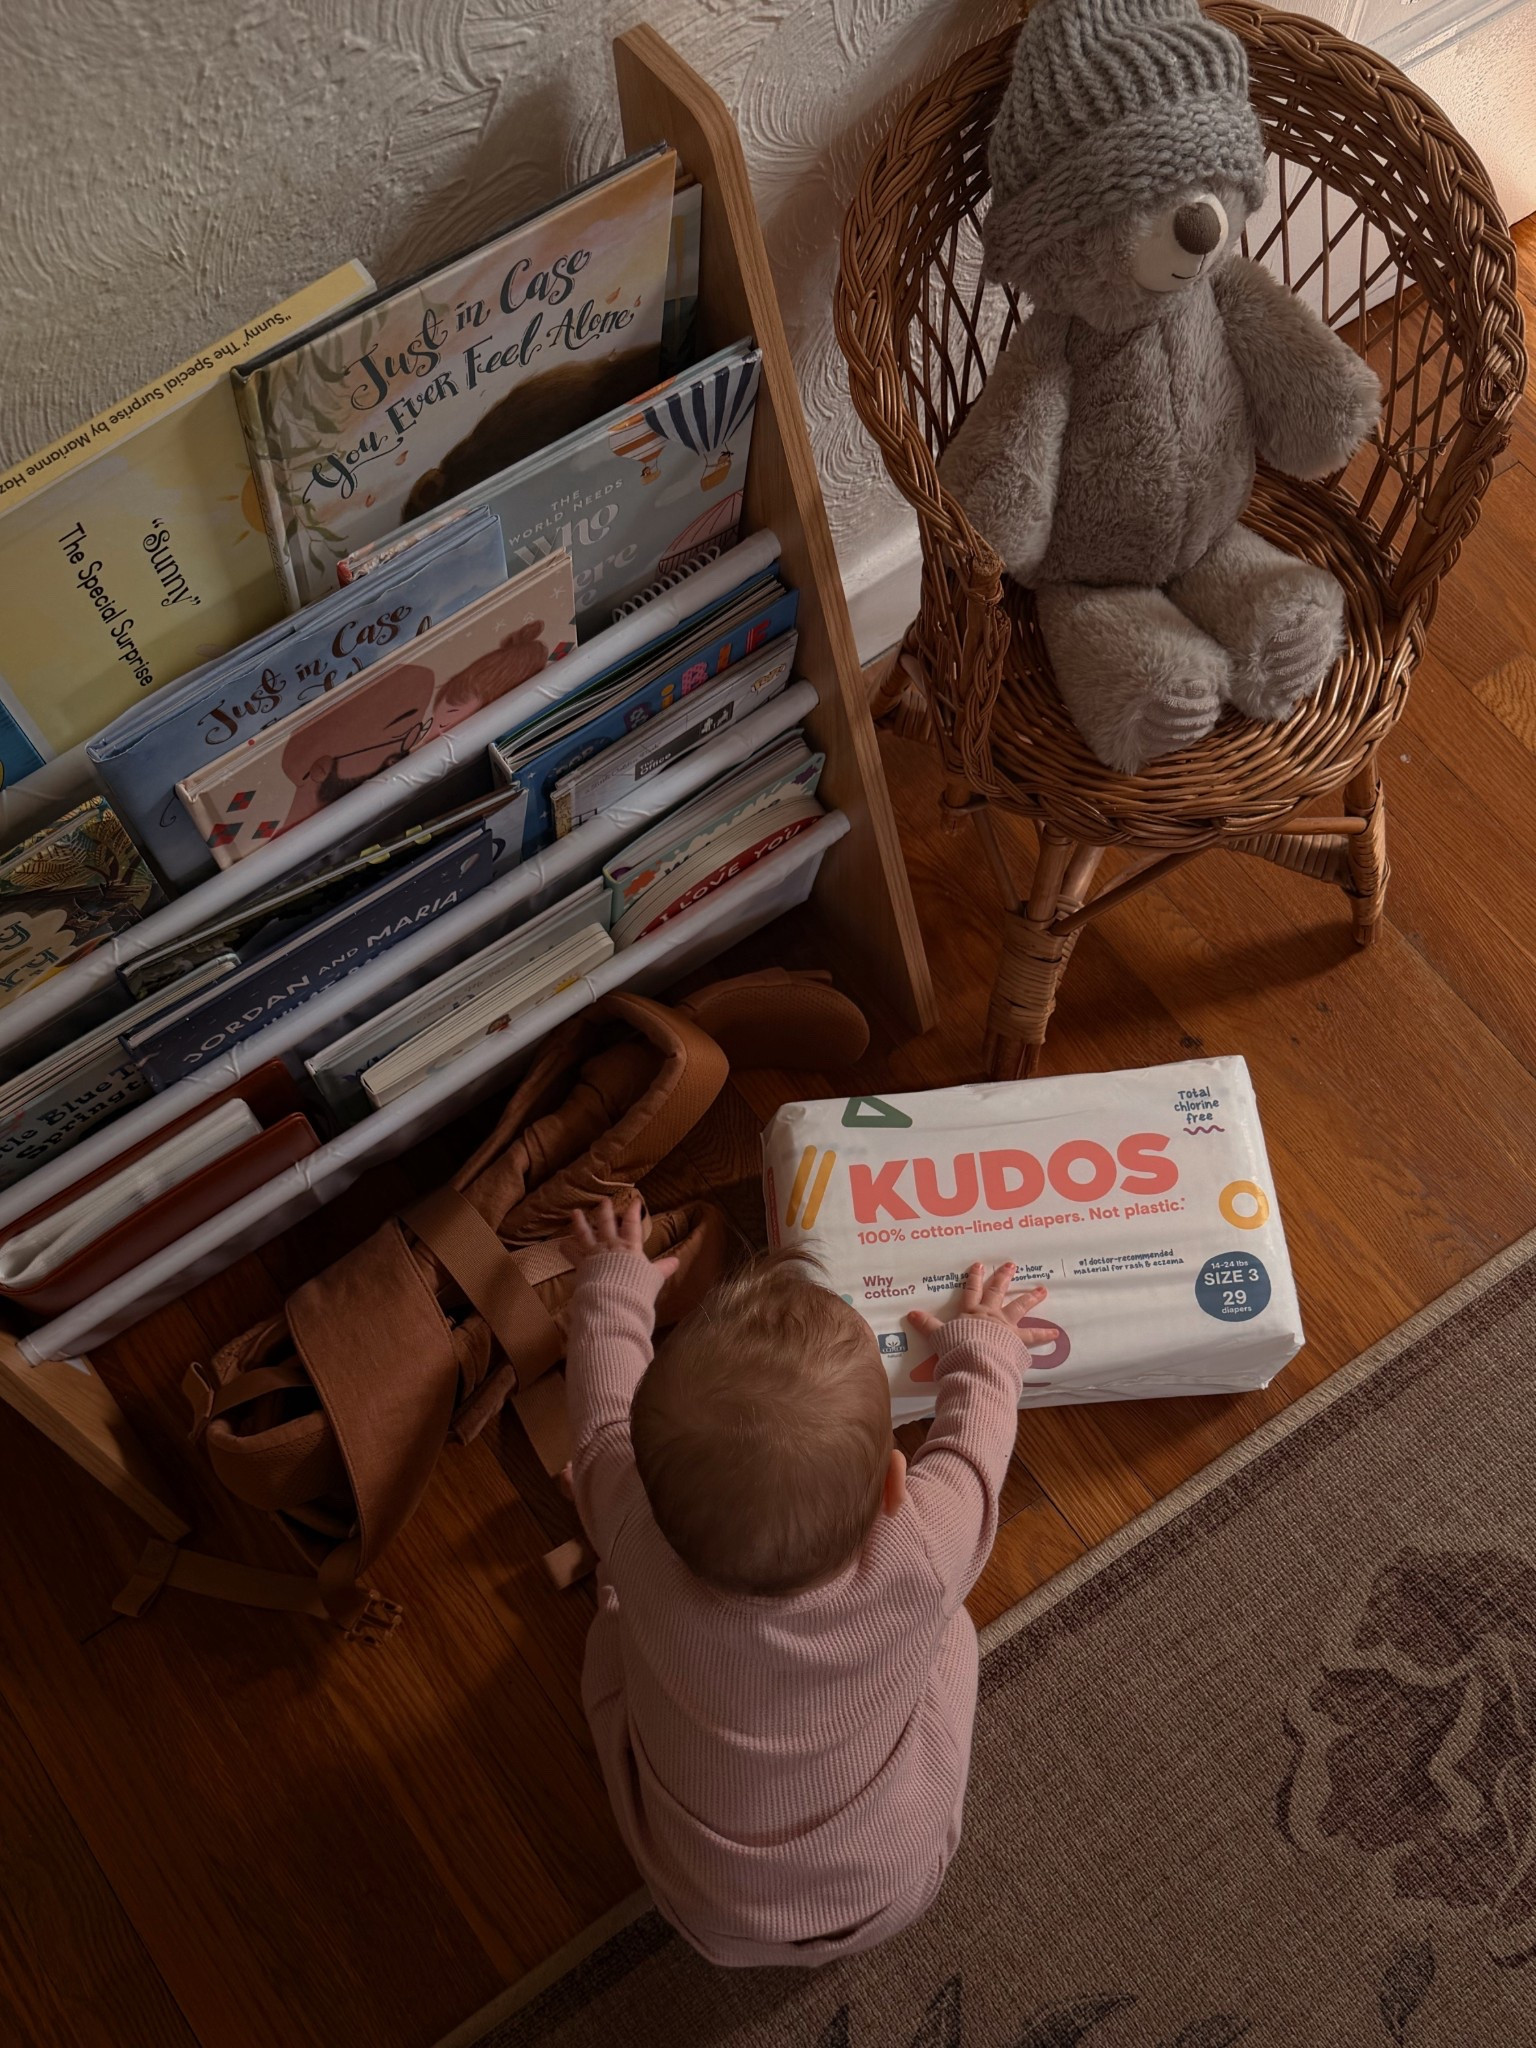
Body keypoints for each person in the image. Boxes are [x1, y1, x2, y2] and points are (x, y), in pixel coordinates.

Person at [562, 1195, 1053, 1966]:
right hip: (895, 1883)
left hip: (706, 1915)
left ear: (647, 1496)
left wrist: (611, 1287)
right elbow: (970, 1459)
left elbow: (599, 1422)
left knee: (612, 1631)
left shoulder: (629, 1522)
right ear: (896, 1483)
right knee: (951, 1625)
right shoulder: (922, 1546)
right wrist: (985, 1343)